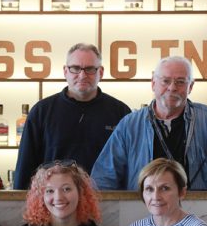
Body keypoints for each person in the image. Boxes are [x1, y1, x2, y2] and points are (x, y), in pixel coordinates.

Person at [91, 55, 207, 190]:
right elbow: (105, 176)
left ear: (191, 86)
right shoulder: (129, 125)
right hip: (143, 214)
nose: (172, 88)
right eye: (165, 81)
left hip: (197, 215)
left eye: (180, 82)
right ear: (153, 83)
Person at [13, 43, 131, 189]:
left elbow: (130, 168)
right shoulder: (41, 112)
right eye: (75, 68)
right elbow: (25, 167)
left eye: (90, 69)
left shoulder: (120, 112)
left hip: (106, 204)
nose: (82, 75)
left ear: (100, 72)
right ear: (65, 71)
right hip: (54, 203)